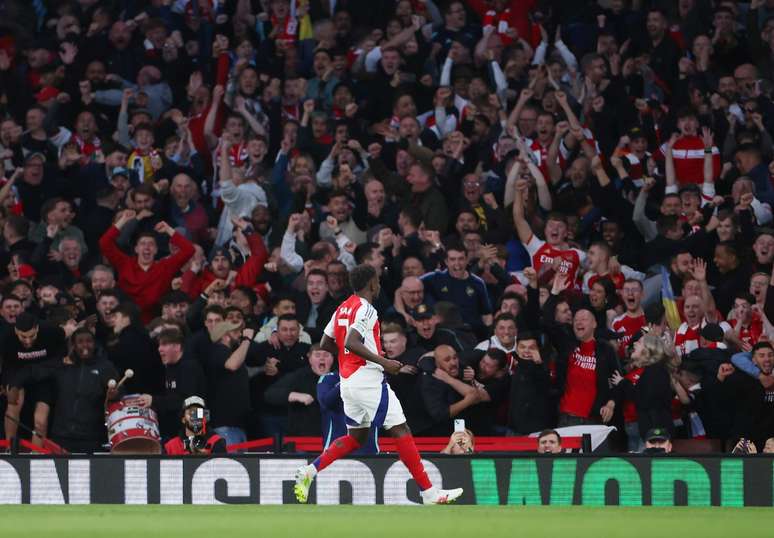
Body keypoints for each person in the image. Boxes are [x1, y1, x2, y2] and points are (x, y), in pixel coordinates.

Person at [293, 264, 464, 505]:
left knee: (356, 437)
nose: (380, 284)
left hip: (348, 381)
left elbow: (325, 343)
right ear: (372, 283)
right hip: (367, 379)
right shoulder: (367, 309)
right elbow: (352, 342)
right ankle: (429, 493)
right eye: (377, 281)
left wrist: (347, 359)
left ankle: (310, 471)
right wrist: (385, 361)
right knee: (400, 429)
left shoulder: (342, 308)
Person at [2, 312, 67, 445]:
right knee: (13, 405)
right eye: (23, 337)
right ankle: (9, 447)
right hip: (17, 373)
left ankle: (37, 454)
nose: (28, 341)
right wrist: (5, 383)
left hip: (43, 375)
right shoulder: (5, 336)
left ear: (37, 328)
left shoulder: (52, 331)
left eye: (32, 336)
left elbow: (62, 352)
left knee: (40, 420)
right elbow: (5, 363)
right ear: (16, 330)